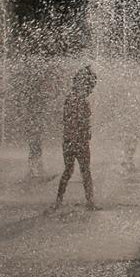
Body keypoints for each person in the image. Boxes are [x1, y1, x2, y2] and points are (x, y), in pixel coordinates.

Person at [54, 66, 97, 208]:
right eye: (90, 85)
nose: (91, 89)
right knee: (83, 171)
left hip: (71, 140)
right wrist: (80, 137)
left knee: (70, 170)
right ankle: (89, 202)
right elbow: (73, 121)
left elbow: (69, 121)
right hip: (77, 141)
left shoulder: (72, 98)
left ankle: (59, 201)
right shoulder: (77, 100)